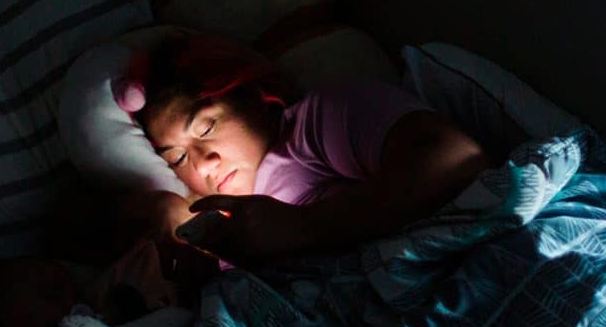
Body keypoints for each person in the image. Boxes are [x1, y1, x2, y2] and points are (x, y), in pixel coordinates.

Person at [120, 34, 492, 269]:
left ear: (251, 98)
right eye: (178, 158)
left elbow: (454, 156)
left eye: (206, 127)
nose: (203, 163)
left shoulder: (313, 127)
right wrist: (161, 209)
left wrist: (304, 226)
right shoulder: (206, 221)